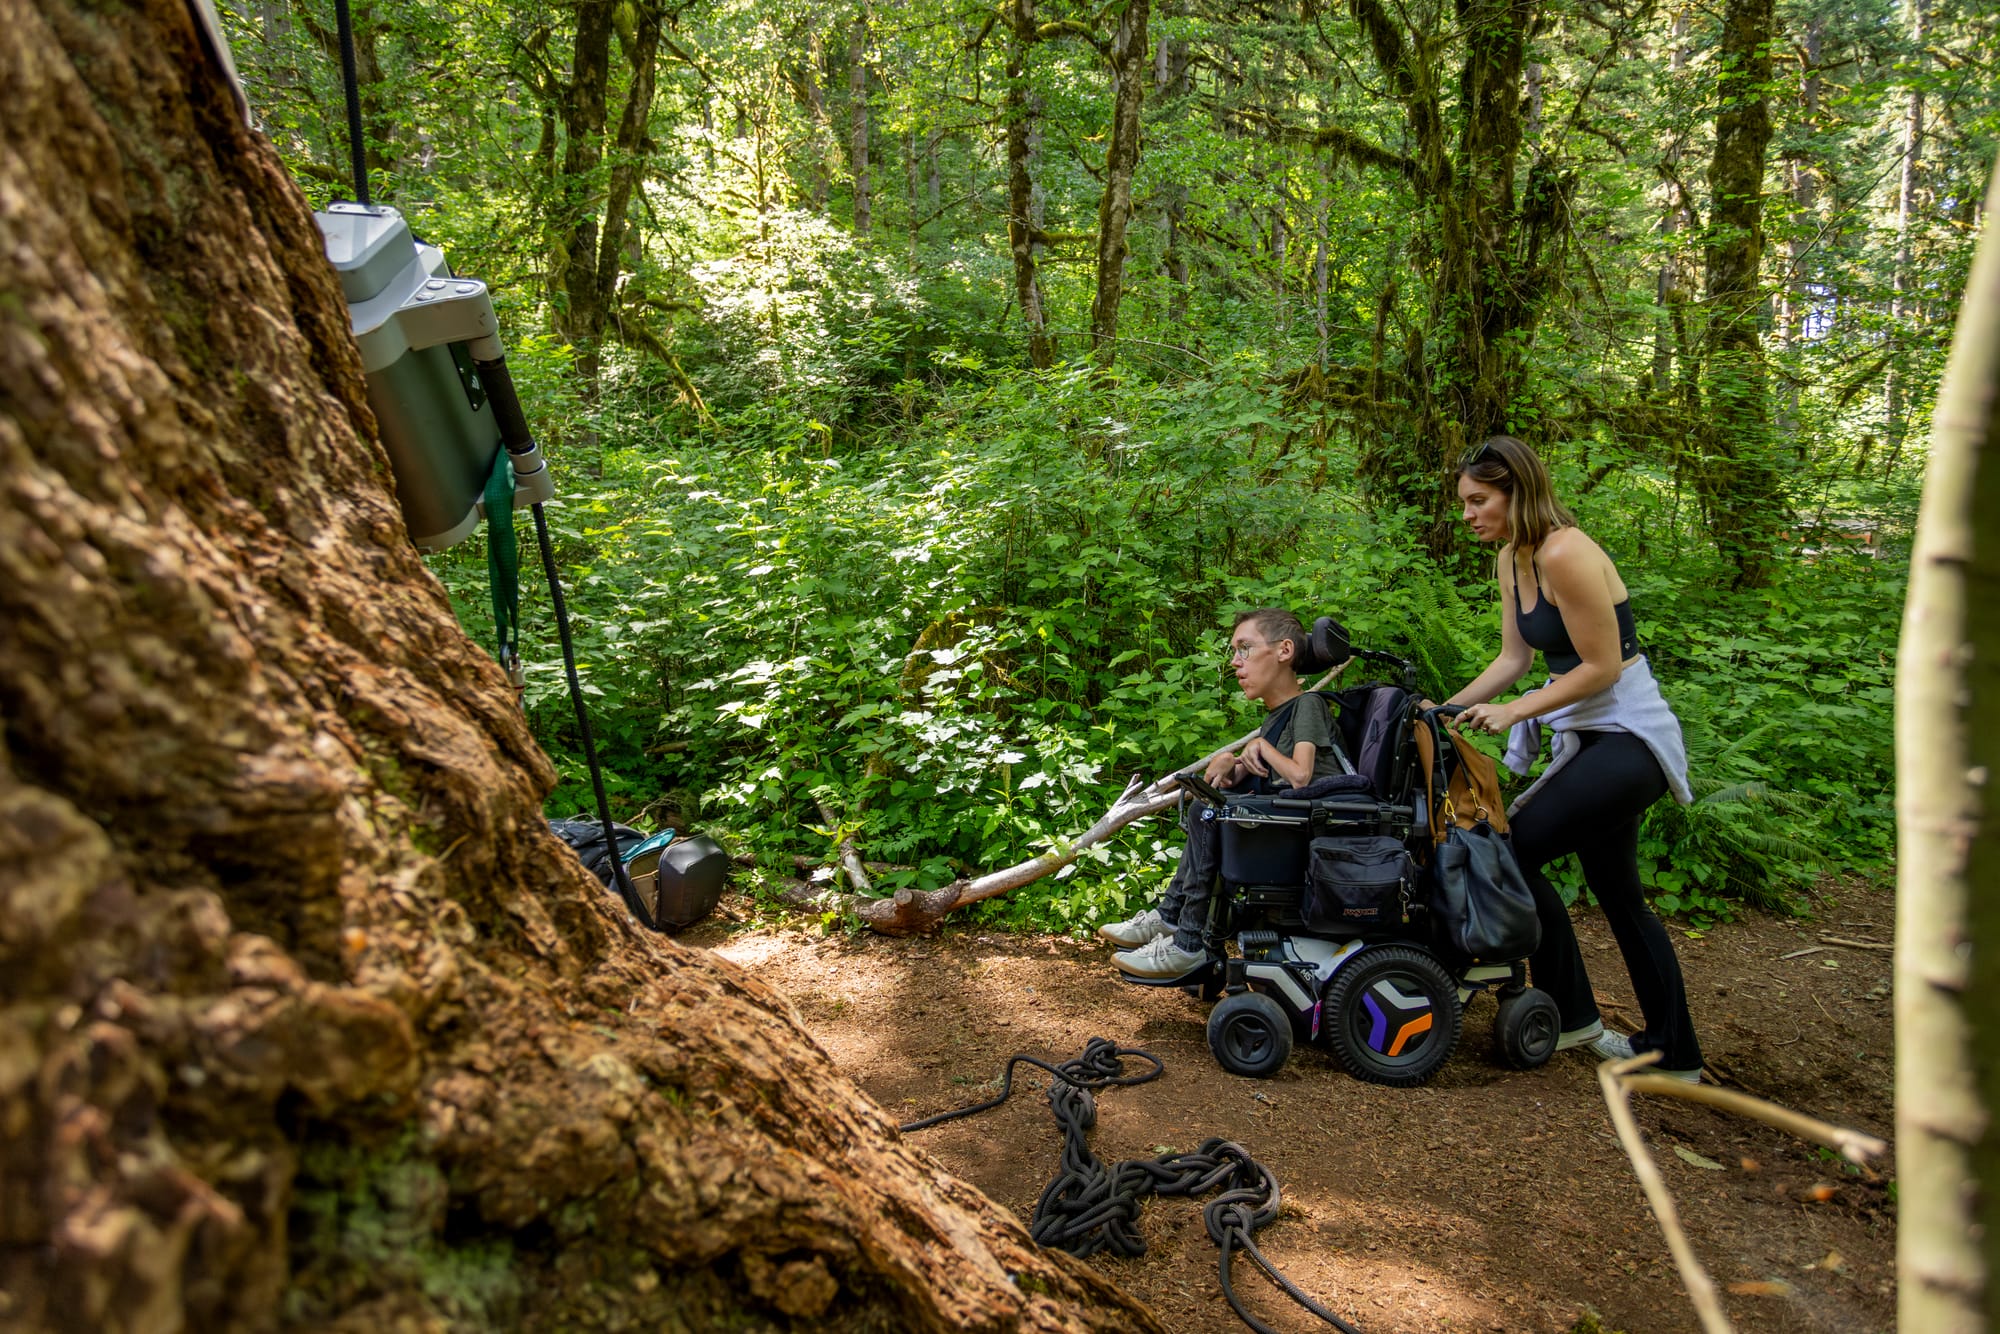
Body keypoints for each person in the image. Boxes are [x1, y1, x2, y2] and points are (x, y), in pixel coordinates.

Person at [1441, 435, 1702, 1081]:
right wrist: (1440, 711)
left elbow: (1603, 666)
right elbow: (1513, 659)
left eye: (1479, 500)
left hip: (1629, 740)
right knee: (1620, 895)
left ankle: (1573, 1014)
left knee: (1509, 851)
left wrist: (1518, 711)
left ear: (1516, 491)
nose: (1469, 514)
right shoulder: (1512, 559)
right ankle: (1674, 1055)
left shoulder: (1567, 552)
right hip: (1588, 741)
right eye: (1465, 503)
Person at [1099, 608, 1342, 978]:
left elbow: (1301, 777)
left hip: (1309, 834)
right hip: (1285, 828)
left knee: (1207, 813)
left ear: (1284, 650)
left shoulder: (1308, 704)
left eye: (1244, 648)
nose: (1235, 662)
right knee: (1207, 803)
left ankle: (1186, 940)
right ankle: (1170, 919)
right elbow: (1266, 770)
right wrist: (1232, 765)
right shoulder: (1277, 716)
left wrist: (1261, 746)